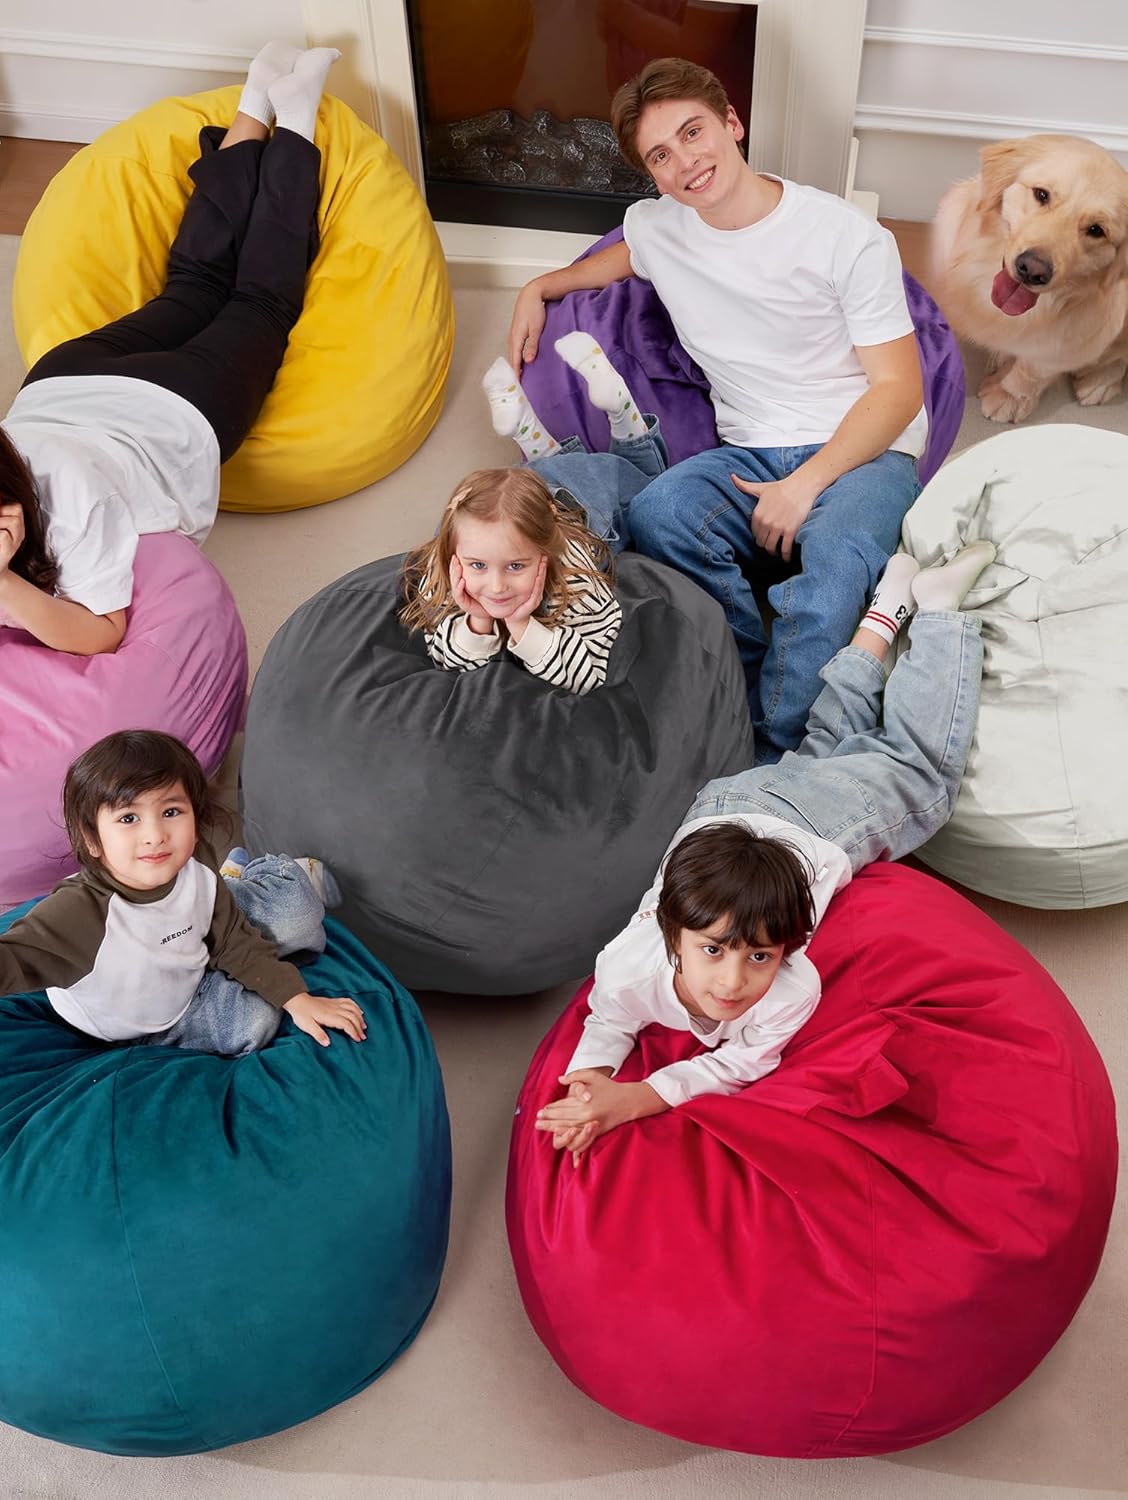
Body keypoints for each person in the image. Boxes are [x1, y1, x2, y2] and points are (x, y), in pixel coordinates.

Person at [0, 42, 340, 686]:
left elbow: (101, 632)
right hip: (64, 378)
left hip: (173, 403)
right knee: (193, 286)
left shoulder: (65, 493)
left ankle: (296, 118)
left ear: (1, 479)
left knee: (261, 301)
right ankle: (256, 101)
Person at [507, 56, 928, 762]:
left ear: (732, 123)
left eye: (693, 132)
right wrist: (541, 286)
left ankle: (771, 753)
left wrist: (805, 485)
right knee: (659, 513)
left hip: (865, 449)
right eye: (661, 156)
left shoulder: (845, 236)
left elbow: (899, 391)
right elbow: (620, 257)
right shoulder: (659, 227)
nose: (686, 163)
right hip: (748, 450)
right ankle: (739, 681)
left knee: (832, 573)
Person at [535, 540, 994, 1162]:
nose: (733, 982)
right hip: (725, 809)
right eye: (713, 950)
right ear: (672, 935)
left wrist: (639, 1096)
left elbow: (737, 1066)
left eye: (759, 955)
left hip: (806, 826)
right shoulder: (627, 966)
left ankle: (934, 614)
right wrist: (590, 1078)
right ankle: (886, 609)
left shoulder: (790, 989)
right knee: (824, 749)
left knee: (921, 779)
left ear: (787, 947)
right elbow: (608, 1018)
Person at [0, 729, 367, 1056]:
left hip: (193, 948)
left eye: (171, 812)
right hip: (161, 1015)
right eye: (128, 818)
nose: (155, 835)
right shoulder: (78, 916)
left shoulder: (194, 876)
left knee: (298, 912)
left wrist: (298, 998)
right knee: (256, 1023)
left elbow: (236, 944)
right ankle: (248, 882)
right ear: (93, 840)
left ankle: (264, 876)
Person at [399, 333, 668, 695]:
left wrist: (522, 625)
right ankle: (525, 427)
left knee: (649, 486)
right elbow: (445, 657)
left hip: (584, 495)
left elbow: (589, 673)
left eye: (515, 566)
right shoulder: (445, 571)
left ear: (546, 552)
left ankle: (621, 408)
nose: (496, 587)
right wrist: (477, 621)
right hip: (526, 494)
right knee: (539, 481)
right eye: (478, 566)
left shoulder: (575, 577)